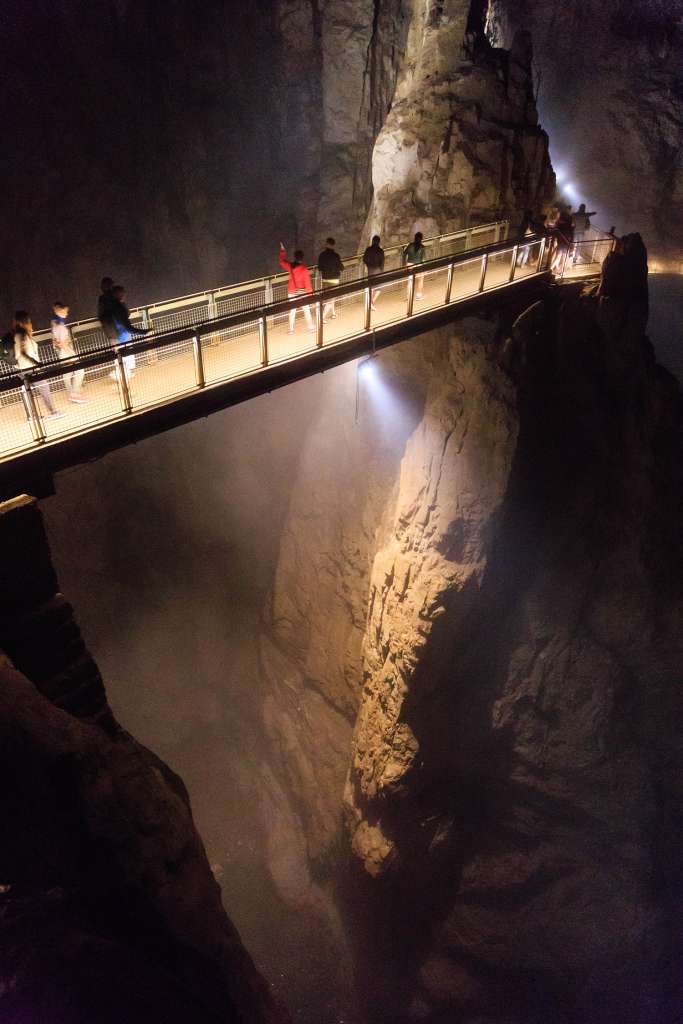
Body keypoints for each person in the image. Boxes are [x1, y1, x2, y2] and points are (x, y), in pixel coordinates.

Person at [13, 311, 63, 418]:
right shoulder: (21, 335)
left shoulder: (19, 334)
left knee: (28, 391)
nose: (30, 323)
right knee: (44, 387)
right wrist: (36, 363)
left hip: (22, 368)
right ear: (24, 322)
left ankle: (32, 415)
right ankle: (53, 412)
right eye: (28, 321)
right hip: (29, 368)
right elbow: (23, 353)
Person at [51, 302, 86, 403]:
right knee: (79, 371)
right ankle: (74, 394)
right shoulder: (60, 327)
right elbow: (62, 343)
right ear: (59, 311)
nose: (66, 314)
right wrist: (72, 354)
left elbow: (57, 342)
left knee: (68, 373)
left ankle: (73, 393)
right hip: (66, 352)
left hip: (62, 352)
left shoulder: (54, 324)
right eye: (65, 311)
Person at [279, 243, 315, 334]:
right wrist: (311, 296)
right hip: (302, 292)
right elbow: (308, 284)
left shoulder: (290, 266)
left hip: (292, 291)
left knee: (292, 311)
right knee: (306, 309)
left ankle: (291, 330)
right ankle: (310, 328)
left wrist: (282, 250)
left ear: (294, 257)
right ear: (302, 258)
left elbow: (282, 262)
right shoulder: (304, 269)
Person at [317, 237, 344, 323]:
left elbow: (319, 268)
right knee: (331, 299)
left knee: (330, 298)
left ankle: (333, 313)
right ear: (333, 245)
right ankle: (321, 318)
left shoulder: (322, 255)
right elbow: (341, 267)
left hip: (325, 280)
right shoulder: (336, 256)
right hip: (334, 280)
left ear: (326, 244)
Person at [363, 235, 385, 309]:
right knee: (379, 288)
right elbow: (382, 262)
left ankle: (370, 303)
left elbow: (364, 259)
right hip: (378, 270)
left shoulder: (368, 249)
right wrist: (381, 271)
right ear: (379, 242)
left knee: (371, 287)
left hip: (370, 270)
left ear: (372, 241)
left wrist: (368, 265)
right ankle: (371, 303)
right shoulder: (380, 251)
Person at [403, 231, 426, 298]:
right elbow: (423, 259)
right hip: (418, 264)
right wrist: (424, 267)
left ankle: (408, 296)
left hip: (409, 264)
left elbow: (404, 254)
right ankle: (419, 295)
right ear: (421, 238)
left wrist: (404, 264)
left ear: (414, 238)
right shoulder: (422, 247)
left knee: (410, 280)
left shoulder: (410, 245)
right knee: (420, 279)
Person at [551, 208, 574, 273]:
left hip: (560, 242)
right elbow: (572, 235)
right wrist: (571, 243)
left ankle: (550, 269)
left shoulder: (559, 225)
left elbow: (556, 233)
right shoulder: (569, 226)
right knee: (564, 258)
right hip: (566, 243)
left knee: (558, 257)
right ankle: (562, 271)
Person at [98, 276, 117, 343]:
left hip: (111, 332)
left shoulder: (102, 299)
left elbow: (100, 315)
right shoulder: (115, 296)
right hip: (120, 330)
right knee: (127, 347)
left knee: (116, 348)